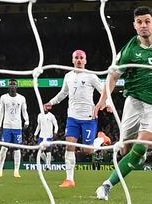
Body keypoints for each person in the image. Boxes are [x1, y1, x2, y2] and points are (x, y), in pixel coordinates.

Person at [93, 6, 152, 200]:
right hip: (134, 101)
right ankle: (136, 157)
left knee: (141, 145)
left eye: (147, 22)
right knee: (126, 149)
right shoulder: (129, 49)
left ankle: (107, 185)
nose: (143, 25)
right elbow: (113, 77)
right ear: (134, 26)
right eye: (139, 22)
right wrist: (103, 100)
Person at [44, 49, 112, 188]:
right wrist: (51, 102)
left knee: (88, 151)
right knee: (70, 147)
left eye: (82, 58)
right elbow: (63, 93)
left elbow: (103, 90)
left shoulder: (91, 76)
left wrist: (108, 104)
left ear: (85, 61)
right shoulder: (68, 76)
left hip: (89, 118)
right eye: (77, 58)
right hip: (73, 118)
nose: (79, 60)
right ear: (72, 60)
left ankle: (101, 139)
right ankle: (70, 180)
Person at [0, 79, 29, 178]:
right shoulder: (3, 98)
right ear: (8, 86)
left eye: (14, 84)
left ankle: (16, 171)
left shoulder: (21, 98)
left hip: (17, 127)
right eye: (11, 84)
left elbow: (24, 110)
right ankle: (0, 170)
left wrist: (26, 120)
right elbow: (1, 111)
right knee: (4, 148)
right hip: (6, 126)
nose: (12, 86)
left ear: (17, 86)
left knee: (17, 149)